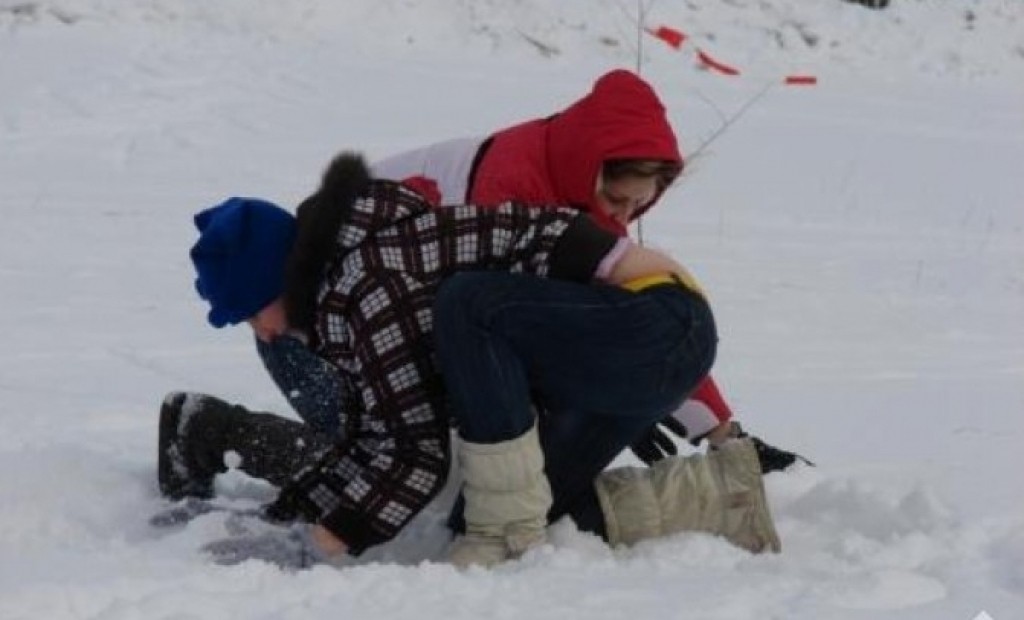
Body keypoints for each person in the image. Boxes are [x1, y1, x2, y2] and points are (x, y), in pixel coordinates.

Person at [159, 152, 780, 568]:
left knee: (469, 308)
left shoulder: (370, 284)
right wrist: (294, 510)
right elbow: (379, 433)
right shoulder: (344, 297)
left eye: (250, 313)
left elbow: (414, 452)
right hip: (609, 359)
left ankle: (499, 526)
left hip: (657, 320)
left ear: (281, 283)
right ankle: (724, 495)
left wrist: (329, 539)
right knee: (518, 513)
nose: (259, 334)